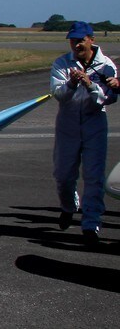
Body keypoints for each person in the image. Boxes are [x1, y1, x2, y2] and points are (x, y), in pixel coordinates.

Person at [50, 21, 117, 244]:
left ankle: (91, 224)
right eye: (72, 40)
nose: (76, 44)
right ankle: (69, 206)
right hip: (67, 124)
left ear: (91, 40)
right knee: (63, 174)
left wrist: (89, 85)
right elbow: (58, 95)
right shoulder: (62, 63)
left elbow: (108, 98)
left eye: (80, 40)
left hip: (94, 123)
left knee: (94, 175)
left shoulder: (107, 65)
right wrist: (70, 83)